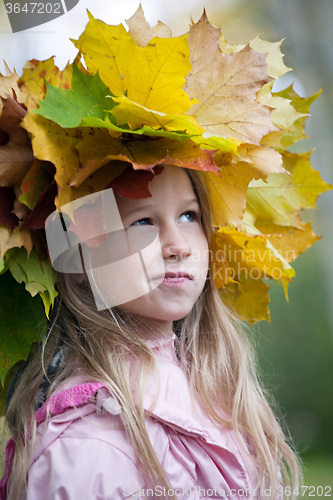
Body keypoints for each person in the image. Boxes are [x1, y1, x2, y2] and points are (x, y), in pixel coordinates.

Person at [1, 165, 301, 500]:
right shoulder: (87, 443)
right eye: (142, 222)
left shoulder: (217, 388)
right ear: (79, 259)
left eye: (189, 215)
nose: (178, 246)